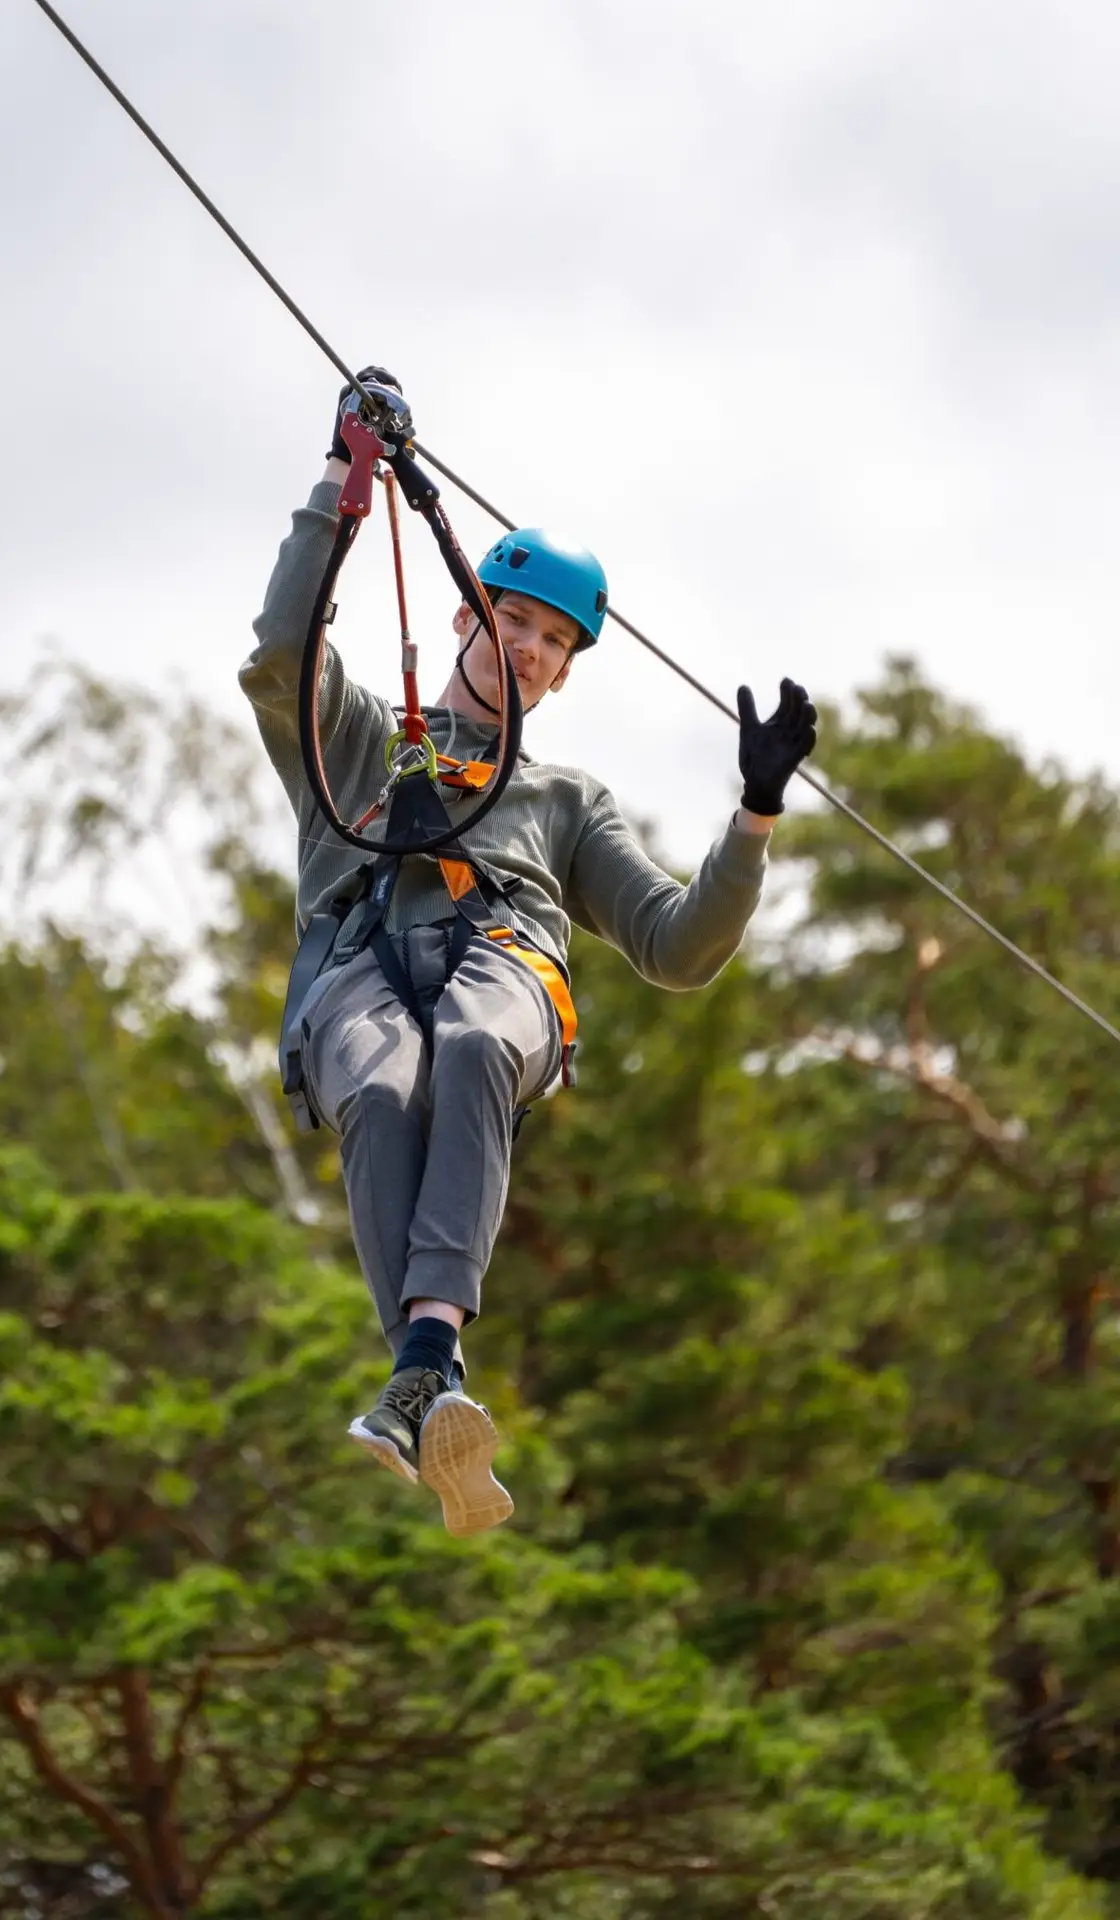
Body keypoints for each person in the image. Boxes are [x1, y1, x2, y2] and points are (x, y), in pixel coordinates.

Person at [239, 370, 817, 1537]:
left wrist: (754, 815)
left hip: (502, 969)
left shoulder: (564, 803)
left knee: (467, 1046)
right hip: (357, 968)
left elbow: (677, 948)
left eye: (555, 641)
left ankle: (421, 1364)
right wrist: (343, 476)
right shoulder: (356, 738)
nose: (530, 648)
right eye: (512, 620)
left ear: (565, 671)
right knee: (379, 1088)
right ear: (465, 617)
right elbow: (280, 655)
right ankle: (424, 1381)